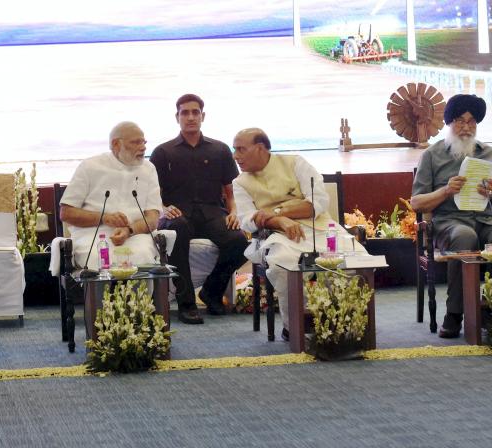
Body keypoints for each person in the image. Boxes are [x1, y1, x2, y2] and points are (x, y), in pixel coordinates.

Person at [232, 127, 367, 341]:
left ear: (260, 149)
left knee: (358, 260)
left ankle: (345, 320)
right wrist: (280, 221)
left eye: (240, 149)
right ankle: (295, 324)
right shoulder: (240, 182)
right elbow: (247, 221)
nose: (236, 156)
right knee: (283, 264)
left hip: (321, 229)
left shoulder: (295, 163)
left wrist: (277, 212)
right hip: (276, 236)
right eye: (234, 149)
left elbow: (319, 202)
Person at [150, 94, 249, 324]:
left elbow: (230, 190)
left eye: (195, 112)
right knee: (178, 228)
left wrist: (234, 212)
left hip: (212, 213)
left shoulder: (220, 149)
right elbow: (151, 193)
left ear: (203, 116)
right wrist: (163, 209)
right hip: (176, 214)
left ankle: (212, 292)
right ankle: (187, 303)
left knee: (239, 241)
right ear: (177, 117)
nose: (191, 117)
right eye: (185, 113)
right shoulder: (163, 152)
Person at [411, 94, 489, 338]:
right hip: (449, 223)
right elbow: (416, 202)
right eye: (459, 121)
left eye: (471, 122)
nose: (466, 127)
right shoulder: (432, 155)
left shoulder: (488, 154)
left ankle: (488, 311)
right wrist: (446, 191)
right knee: (465, 237)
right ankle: (455, 314)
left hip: (486, 219)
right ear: (448, 123)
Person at [60, 121, 164, 270]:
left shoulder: (149, 169)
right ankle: (101, 295)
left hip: (136, 234)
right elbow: (66, 213)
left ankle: (139, 295)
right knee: (97, 258)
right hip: (93, 234)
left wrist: (129, 230)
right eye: (135, 142)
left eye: (144, 142)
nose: (143, 147)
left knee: (143, 256)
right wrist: (104, 218)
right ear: (116, 144)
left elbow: (152, 218)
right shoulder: (90, 166)